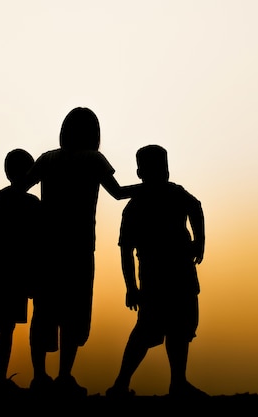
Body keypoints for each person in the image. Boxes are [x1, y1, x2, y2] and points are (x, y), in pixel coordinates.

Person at [23, 107, 136, 396]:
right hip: (79, 246)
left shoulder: (47, 159)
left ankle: (39, 376)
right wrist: (150, 187)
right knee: (73, 311)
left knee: (44, 310)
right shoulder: (94, 159)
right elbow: (119, 192)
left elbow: (22, 186)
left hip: (46, 246)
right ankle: (64, 376)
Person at [106, 144, 209, 398]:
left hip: (180, 272)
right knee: (146, 331)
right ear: (141, 172)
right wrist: (131, 287)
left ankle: (178, 383)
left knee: (179, 329)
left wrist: (200, 241)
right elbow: (125, 249)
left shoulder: (174, 194)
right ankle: (121, 383)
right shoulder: (136, 205)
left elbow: (196, 207)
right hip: (155, 277)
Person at [0, 148, 41, 392]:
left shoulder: (0, 198)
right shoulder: (31, 204)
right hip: (14, 273)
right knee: (4, 328)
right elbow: (36, 239)